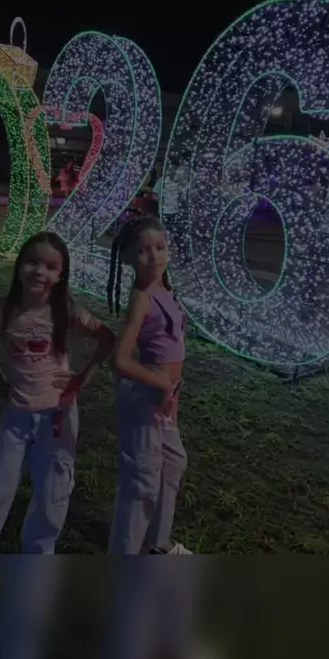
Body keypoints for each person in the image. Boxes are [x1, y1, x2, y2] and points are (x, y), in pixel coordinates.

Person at [0, 231, 115, 554]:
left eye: (50, 267)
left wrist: (83, 378)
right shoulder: (5, 308)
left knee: (52, 492)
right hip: (16, 415)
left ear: (61, 275)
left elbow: (106, 337)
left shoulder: (64, 309)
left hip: (57, 417)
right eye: (32, 262)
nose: (40, 272)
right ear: (19, 264)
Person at [106, 215, 192, 555]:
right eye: (143, 250)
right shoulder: (141, 298)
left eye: (160, 247)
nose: (154, 255)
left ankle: (156, 543)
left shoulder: (164, 290)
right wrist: (162, 384)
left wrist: (172, 394)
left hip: (164, 398)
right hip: (145, 398)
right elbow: (120, 359)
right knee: (142, 480)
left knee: (173, 463)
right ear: (128, 258)